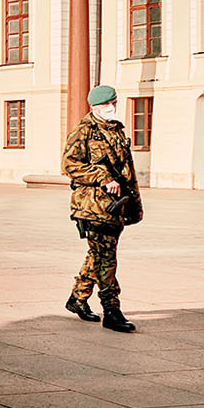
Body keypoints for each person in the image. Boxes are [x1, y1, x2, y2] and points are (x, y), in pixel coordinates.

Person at [61, 83, 142, 333]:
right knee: (106, 257)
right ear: (94, 107)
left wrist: (135, 204)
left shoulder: (116, 130)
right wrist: (102, 176)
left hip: (115, 206)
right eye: (105, 105)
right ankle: (111, 310)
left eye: (113, 103)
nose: (111, 108)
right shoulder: (84, 131)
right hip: (92, 207)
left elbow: (128, 171)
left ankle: (77, 298)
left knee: (98, 255)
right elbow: (69, 165)